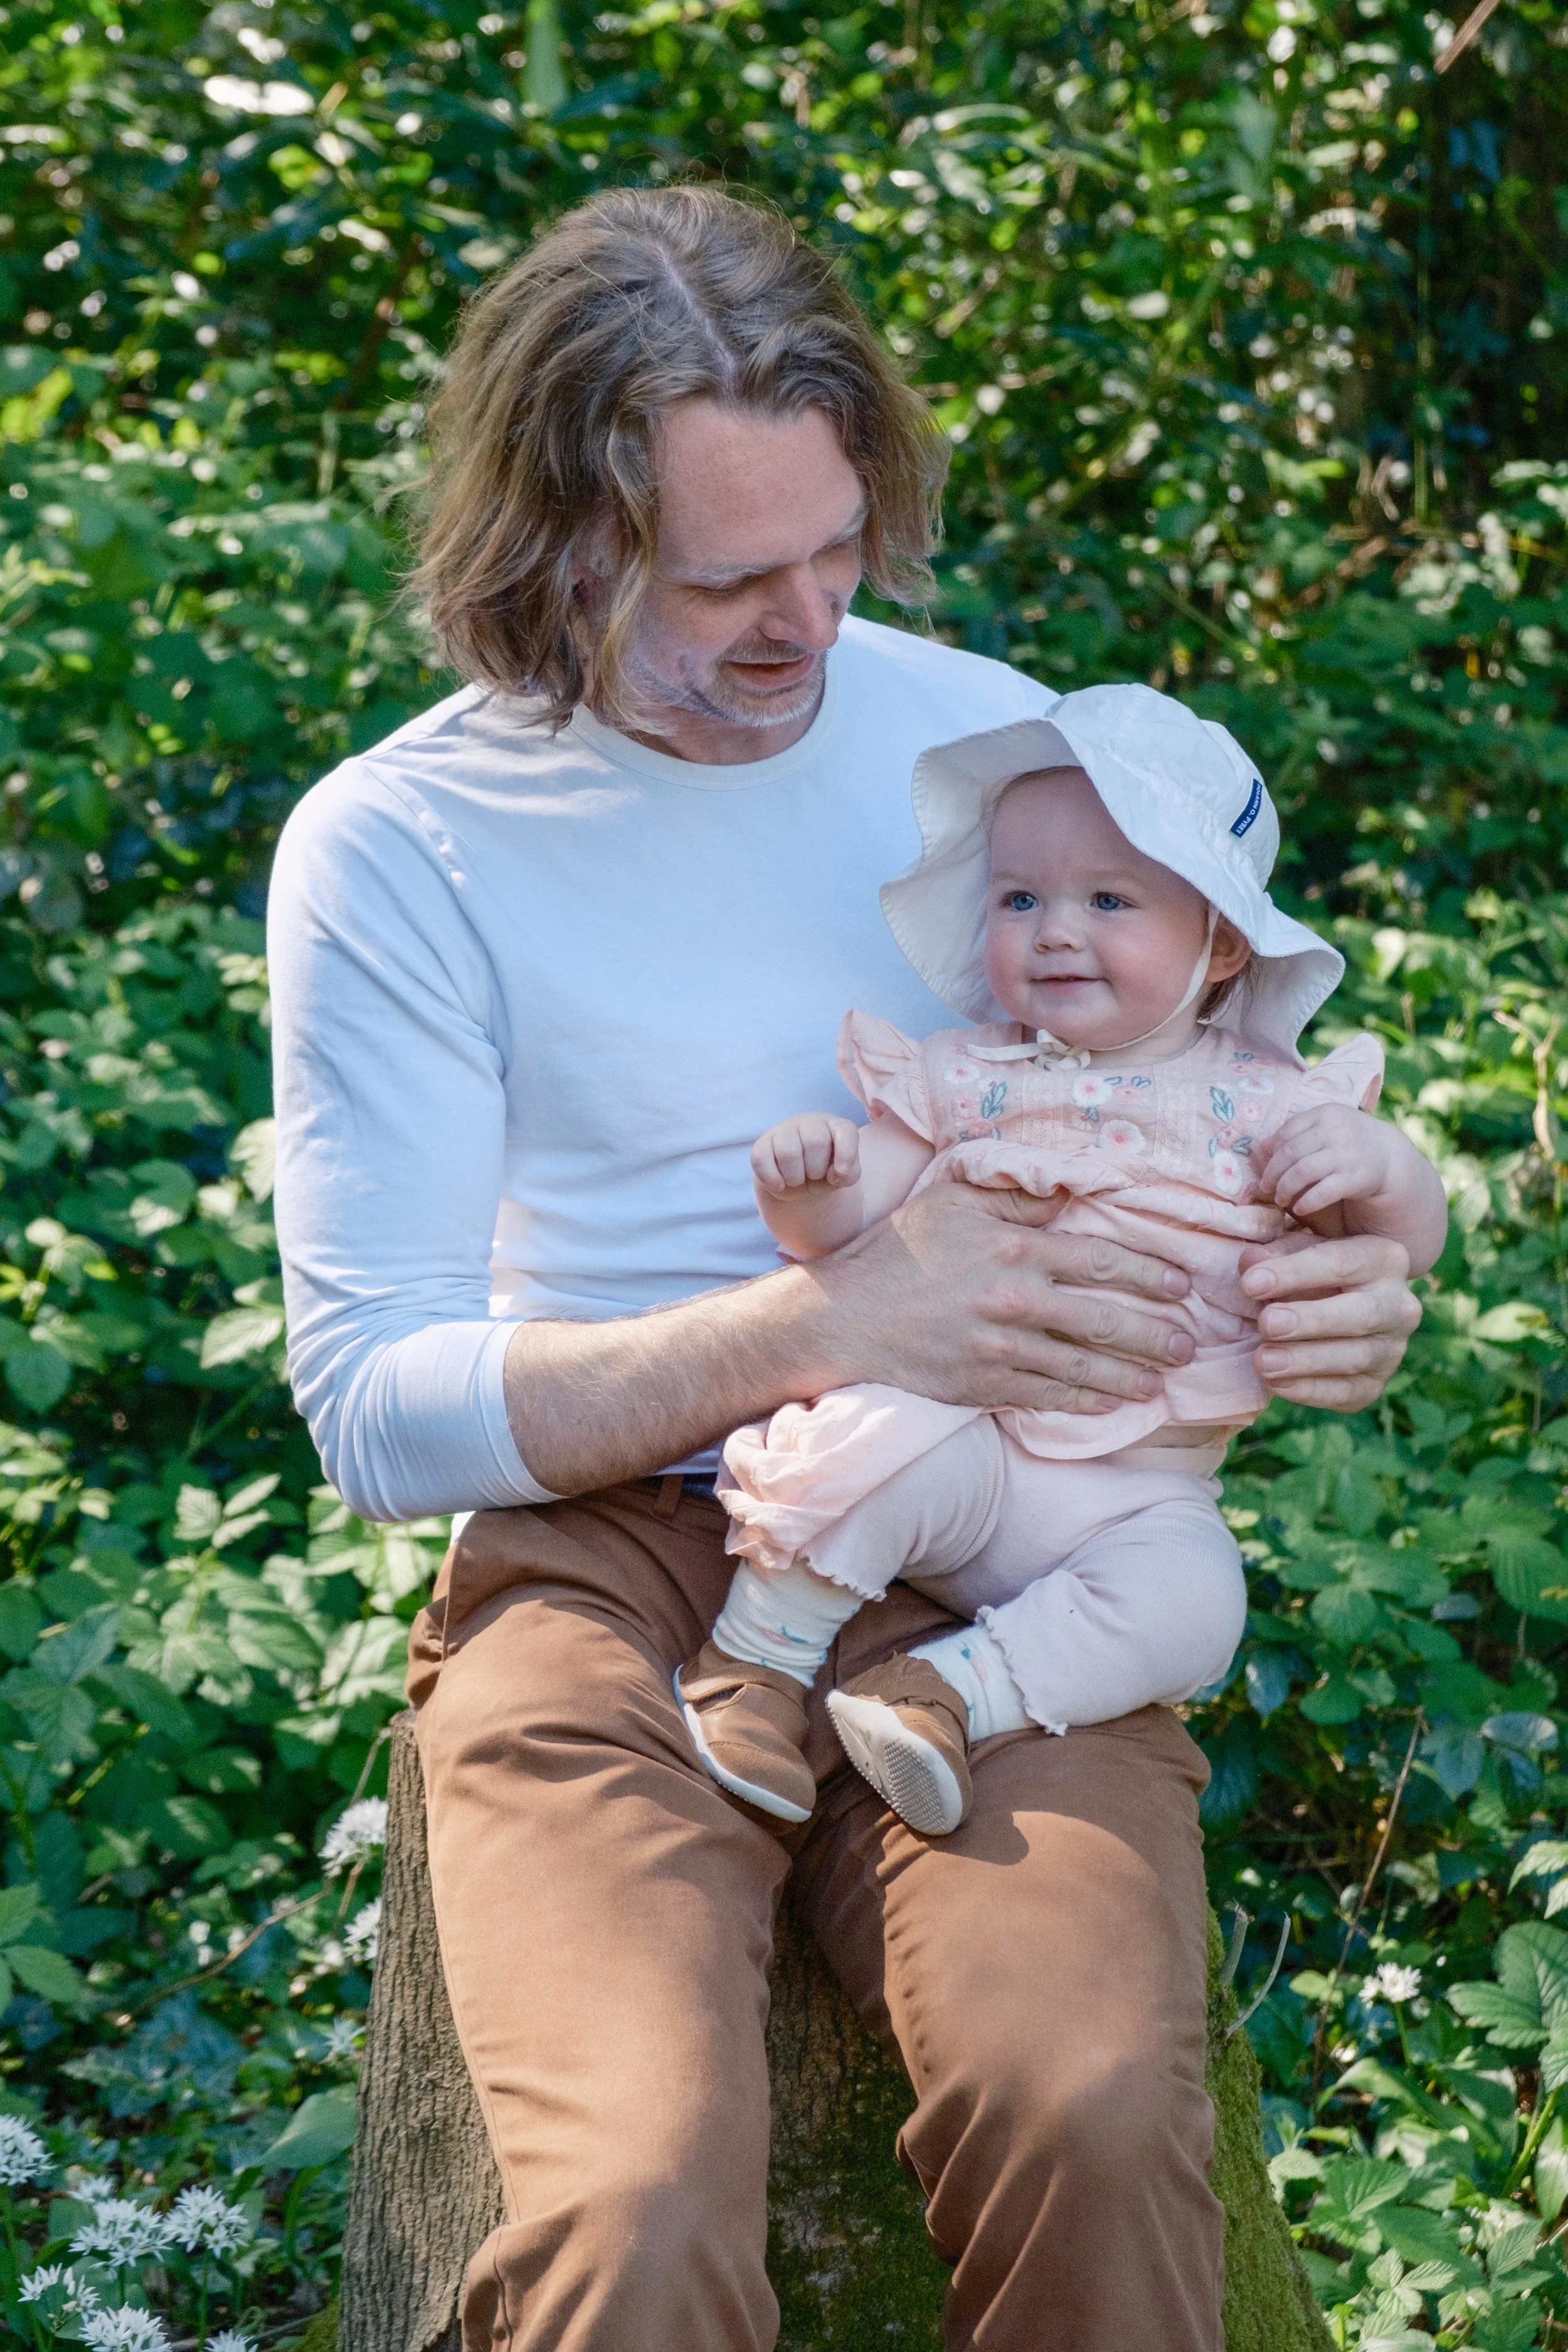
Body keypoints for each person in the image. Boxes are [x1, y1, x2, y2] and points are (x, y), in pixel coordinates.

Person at [268, 186, 1423, 2352]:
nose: (807, 623)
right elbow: (374, 1403)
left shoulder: (1003, 749)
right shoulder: (405, 842)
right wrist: (828, 1322)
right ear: (559, 545)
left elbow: (1259, 1102)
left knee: (1085, 2110)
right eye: (730, 578)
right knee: (624, 2206)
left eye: (837, 547)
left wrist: (1353, 1283)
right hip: (603, 1573)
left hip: (1004, 1555)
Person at [677, 686, 1447, 1838]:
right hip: (970, 1448)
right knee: (883, 1428)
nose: (1055, 929)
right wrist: (810, 1187)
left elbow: (1401, 1245)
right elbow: (846, 1240)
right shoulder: (967, 1077)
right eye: (1021, 896)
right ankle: (755, 1664)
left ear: (1223, 942)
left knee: (1198, 1600)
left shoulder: (1273, 1108)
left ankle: (944, 1693)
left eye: (1109, 899)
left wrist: (1381, 1165)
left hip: (1139, 1496)